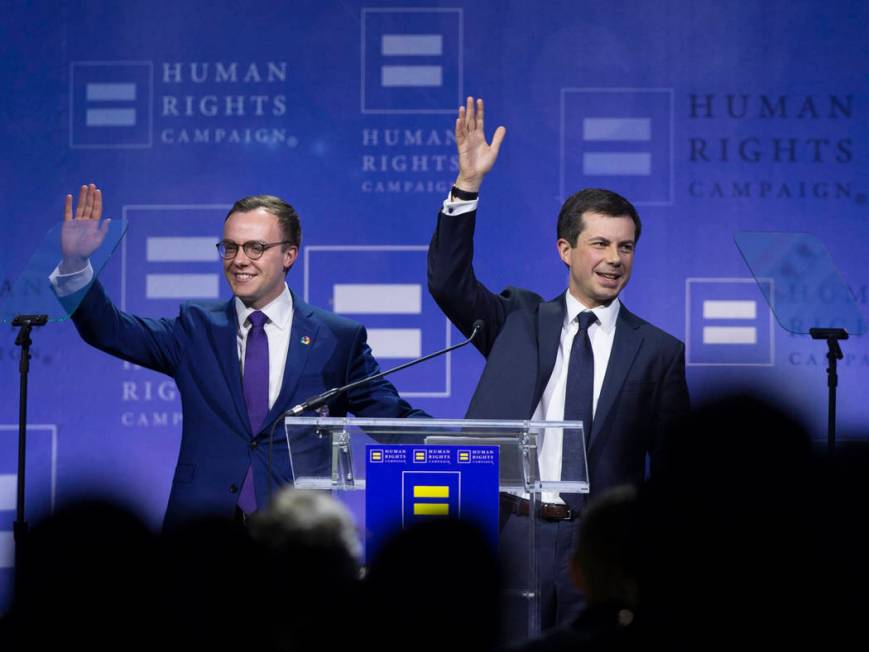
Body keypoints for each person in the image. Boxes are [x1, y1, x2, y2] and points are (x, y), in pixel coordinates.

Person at [427, 98, 689, 632]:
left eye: (626, 247)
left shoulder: (660, 351)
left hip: (601, 548)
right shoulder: (519, 320)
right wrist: (467, 185)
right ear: (565, 250)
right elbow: (447, 282)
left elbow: (671, 471)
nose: (615, 259)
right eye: (600, 244)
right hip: (511, 532)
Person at [52, 184, 426, 529]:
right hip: (203, 533)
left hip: (295, 534)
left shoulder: (336, 338)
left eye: (255, 248)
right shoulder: (195, 327)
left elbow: (392, 420)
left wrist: (465, 444)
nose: (239, 259)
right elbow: (109, 330)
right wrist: (75, 266)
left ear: (289, 255)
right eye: (230, 247)